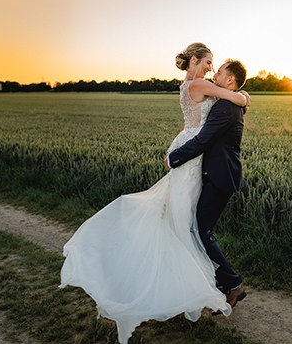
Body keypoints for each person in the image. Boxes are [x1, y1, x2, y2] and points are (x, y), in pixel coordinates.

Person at [59, 42, 250, 344]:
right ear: (195, 60)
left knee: (184, 222)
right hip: (192, 156)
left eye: (214, 64)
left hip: (193, 156)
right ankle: (198, 287)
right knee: (187, 224)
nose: (210, 68)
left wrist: (237, 95)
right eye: (208, 62)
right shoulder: (199, 83)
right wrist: (242, 95)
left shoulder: (188, 84)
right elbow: (231, 96)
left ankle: (194, 286)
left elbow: (213, 109)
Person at [165, 58, 248, 310]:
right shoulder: (227, 102)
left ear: (230, 80)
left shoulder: (225, 108)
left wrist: (174, 158)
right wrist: (243, 97)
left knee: (201, 230)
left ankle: (232, 285)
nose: (215, 73)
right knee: (199, 228)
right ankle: (221, 282)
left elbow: (202, 140)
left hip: (220, 177)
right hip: (214, 174)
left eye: (220, 71)